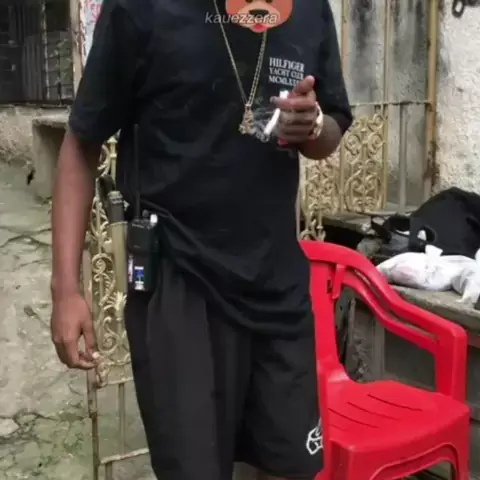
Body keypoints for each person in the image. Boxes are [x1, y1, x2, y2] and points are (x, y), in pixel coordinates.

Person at [50, 0, 352, 479]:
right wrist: (65, 289)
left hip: (277, 285)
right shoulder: (141, 9)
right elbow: (82, 141)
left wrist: (313, 125)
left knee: (290, 466)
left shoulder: (308, 10)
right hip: (179, 286)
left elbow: (331, 125)